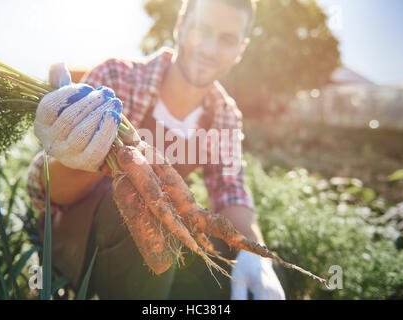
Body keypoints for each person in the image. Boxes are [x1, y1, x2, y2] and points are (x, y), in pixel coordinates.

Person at [27, 0, 285, 300]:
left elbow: (231, 191)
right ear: (179, 27)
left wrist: (255, 254)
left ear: (240, 50)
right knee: (144, 208)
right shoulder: (117, 78)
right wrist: (75, 155)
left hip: (155, 250)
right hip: (76, 241)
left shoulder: (223, 113)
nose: (210, 49)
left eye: (227, 39)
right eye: (202, 30)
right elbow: (44, 188)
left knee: (232, 257)